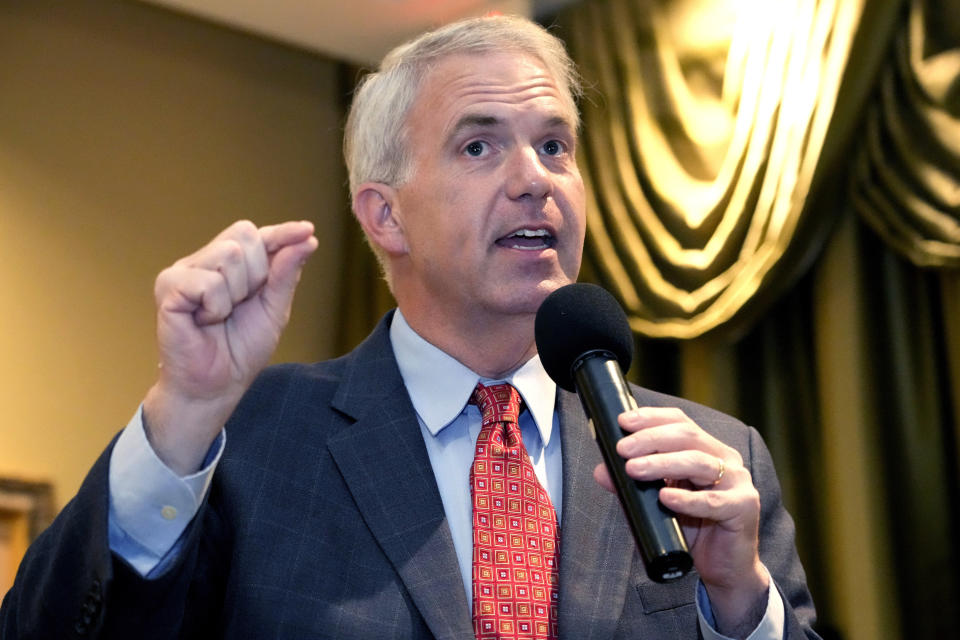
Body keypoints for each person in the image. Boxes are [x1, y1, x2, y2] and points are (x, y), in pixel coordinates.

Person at [0, 15, 819, 640]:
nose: (536, 180)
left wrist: (742, 600)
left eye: (555, 145)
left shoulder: (712, 460)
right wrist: (183, 411)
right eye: (478, 146)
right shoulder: (247, 437)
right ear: (385, 216)